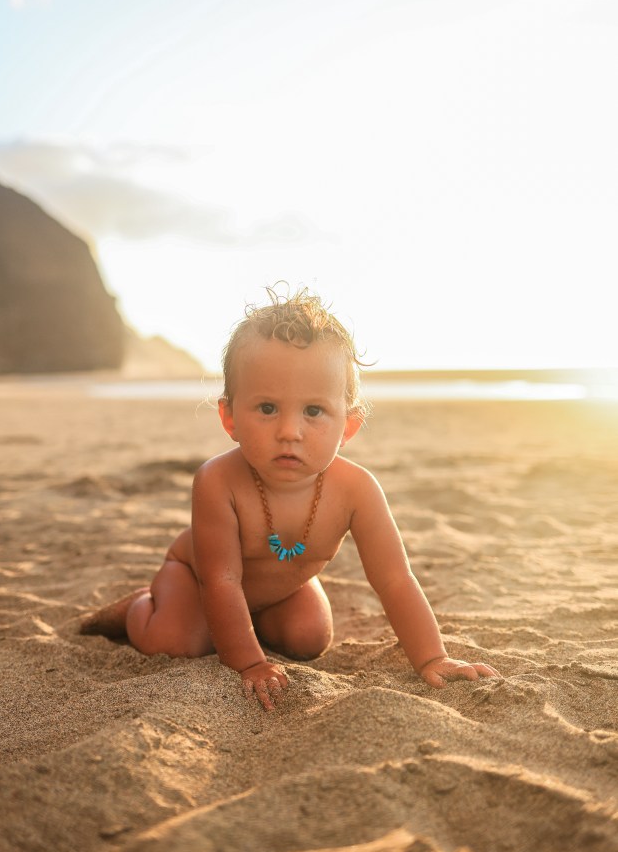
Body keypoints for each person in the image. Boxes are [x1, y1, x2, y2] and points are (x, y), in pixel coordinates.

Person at [80, 287, 500, 711]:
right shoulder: (217, 481)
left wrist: (432, 656)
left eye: (313, 412)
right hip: (197, 578)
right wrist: (250, 663)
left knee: (309, 637)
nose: (289, 431)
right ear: (229, 417)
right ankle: (137, 607)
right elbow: (221, 582)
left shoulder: (357, 490)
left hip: (279, 589)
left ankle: (252, 623)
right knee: (177, 641)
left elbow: (394, 579)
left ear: (348, 426)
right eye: (266, 408)